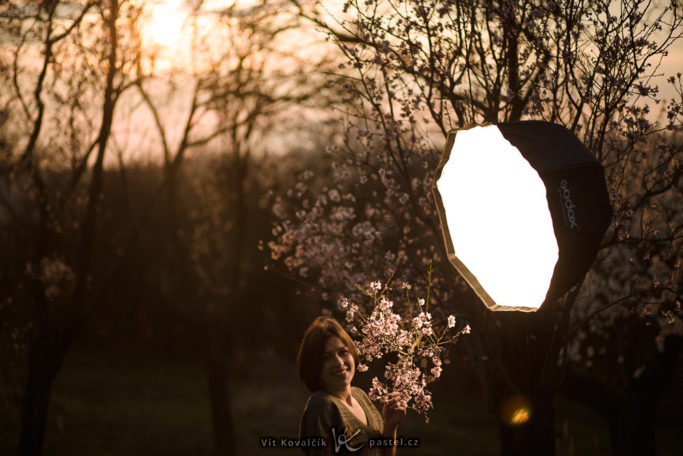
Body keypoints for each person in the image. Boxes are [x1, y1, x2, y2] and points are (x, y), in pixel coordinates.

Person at [297, 316, 406, 455]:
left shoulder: (360, 395)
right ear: (314, 365)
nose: (339, 362)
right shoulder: (321, 406)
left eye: (342, 352)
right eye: (326, 357)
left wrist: (390, 426)